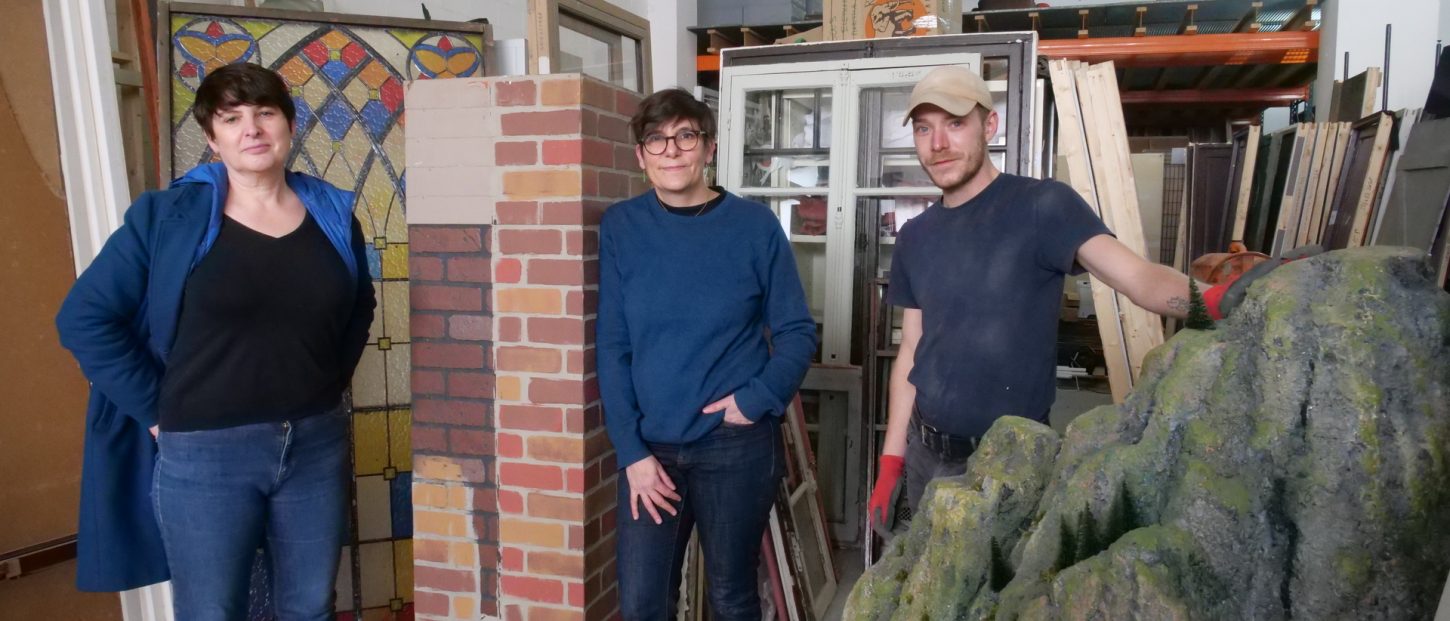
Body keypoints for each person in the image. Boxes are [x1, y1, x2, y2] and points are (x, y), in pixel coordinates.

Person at [56, 63, 375, 618]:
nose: (250, 128)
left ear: (288, 124)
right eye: (232, 118)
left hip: (314, 445)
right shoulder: (167, 217)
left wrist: (326, 382)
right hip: (205, 454)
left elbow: (358, 307)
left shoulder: (333, 214)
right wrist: (156, 409)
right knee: (212, 611)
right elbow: (84, 317)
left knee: (310, 606)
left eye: (264, 113)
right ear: (212, 136)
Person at [866, 65, 1207, 526]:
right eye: (924, 129)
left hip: (1012, 462)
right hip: (926, 454)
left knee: (1005, 596)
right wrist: (892, 461)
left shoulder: (1042, 207)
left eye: (954, 123)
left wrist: (1219, 299)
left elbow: (1140, 279)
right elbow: (911, 352)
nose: (938, 143)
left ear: (989, 125)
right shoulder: (915, 236)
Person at [596, 88, 816, 620]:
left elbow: (797, 332)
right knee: (644, 602)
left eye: (685, 136)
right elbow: (613, 345)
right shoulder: (622, 227)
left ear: (708, 148)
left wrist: (758, 398)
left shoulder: (754, 227)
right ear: (640, 155)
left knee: (731, 596)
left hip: (734, 447)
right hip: (653, 452)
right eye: (656, 139)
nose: (671, 150)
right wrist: (632, 454)